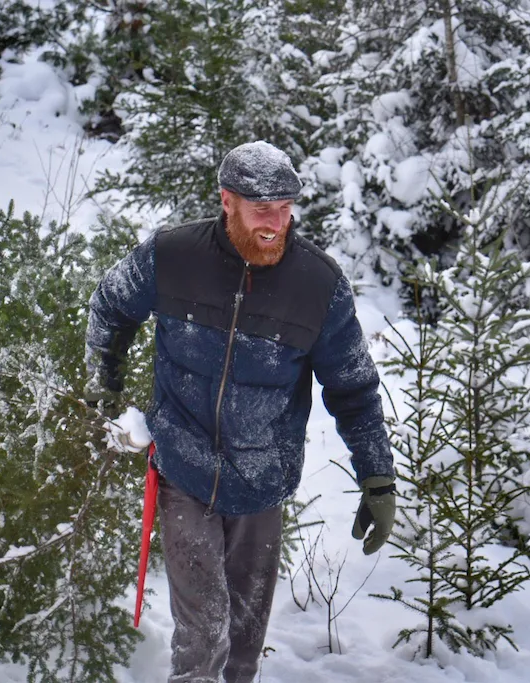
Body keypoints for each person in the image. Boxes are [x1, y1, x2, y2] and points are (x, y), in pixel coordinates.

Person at [85, 140, 396, 683]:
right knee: (203, 638)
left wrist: (377, 476)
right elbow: (110, 303)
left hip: (262, 484)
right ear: (227, 200)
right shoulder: (172, 256)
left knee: (244, 650)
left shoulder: (319, 286)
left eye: (285, 207)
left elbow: (353, 388)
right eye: (261, 209)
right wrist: (103, 384)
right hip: (185, 470)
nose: (276, 223)